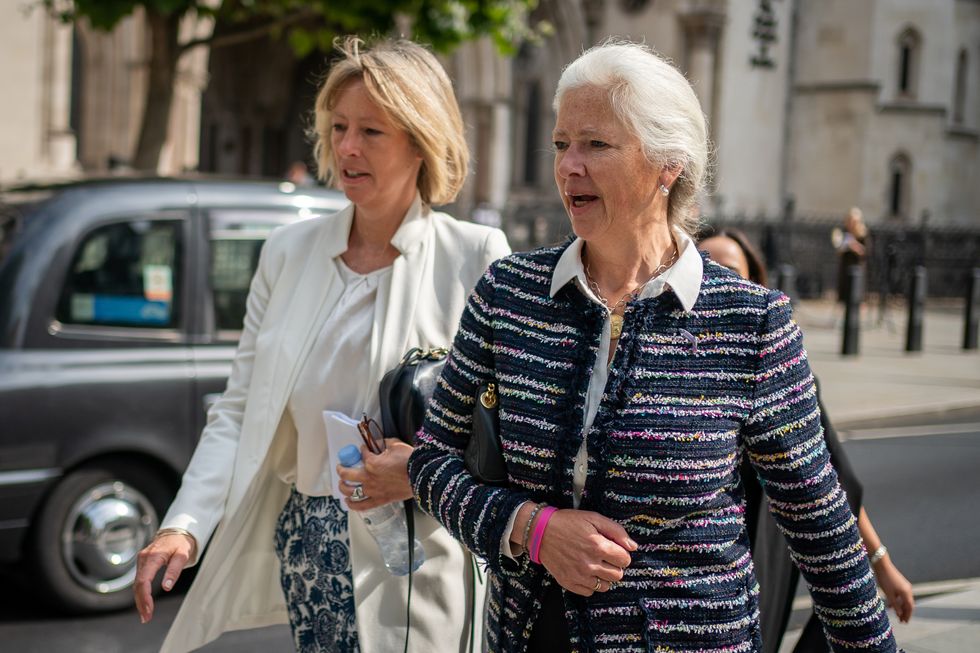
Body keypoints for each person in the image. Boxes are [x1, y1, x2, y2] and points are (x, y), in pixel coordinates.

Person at [409, 41, 902, 652]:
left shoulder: (753, 322)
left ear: (668, 164)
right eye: (561, 144)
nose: (568, 167)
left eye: (596, 144)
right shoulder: (508, 293)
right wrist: (531, 528)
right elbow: (431, 462)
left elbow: (819, 524)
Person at [133, 36, 510, 653]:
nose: (347, 147)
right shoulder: (288, 252)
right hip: (309, 545)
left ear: (420, 142)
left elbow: (505, 428)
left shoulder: (475, 256)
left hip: (419, 548)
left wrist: (419, 474)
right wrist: (185, 525)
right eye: (339, 127)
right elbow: (239, 409)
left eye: (371, 131)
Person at [699, 228, 915, 652]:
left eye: (729, 271)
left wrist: (881, 564)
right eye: (704, 267)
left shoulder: (778, 375)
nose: (715, 280)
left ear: (754, 283)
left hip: (761, 548)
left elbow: (830, 484)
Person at [835, 207, 868, 304]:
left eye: (853, 222)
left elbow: (865, 252)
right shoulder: (845, 232)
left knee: (855, 295)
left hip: (857, 268)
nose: (851, 224)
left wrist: (854, 245)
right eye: (849, 221)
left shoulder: (862, 234)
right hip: (846, 267)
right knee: (845, 296)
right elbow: (839, 251)